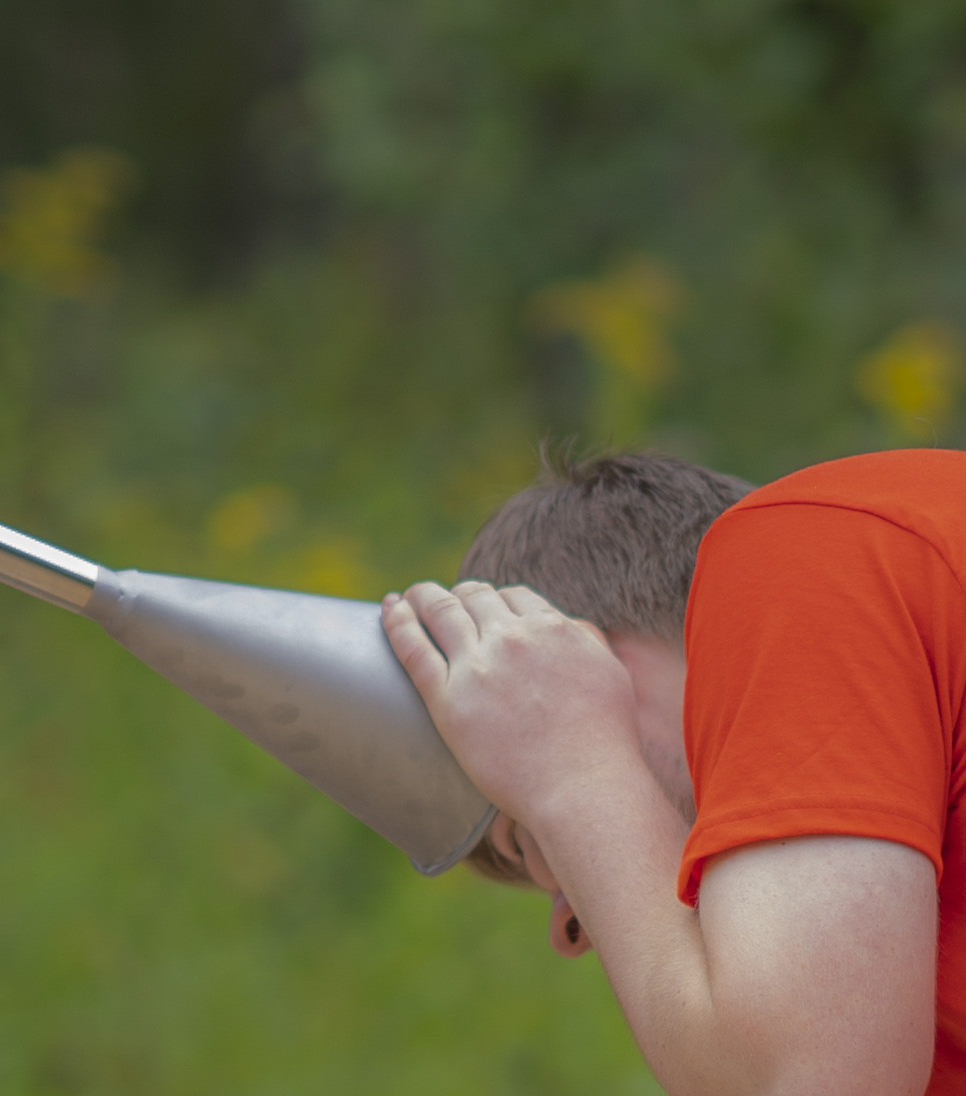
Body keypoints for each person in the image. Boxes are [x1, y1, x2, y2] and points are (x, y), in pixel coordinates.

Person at [380, 447, 965, 1096]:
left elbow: (802, 1082)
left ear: (568, 666)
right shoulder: (899, 982)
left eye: (523, 835)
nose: (571, 931)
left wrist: (574, 780)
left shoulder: (799, 551)